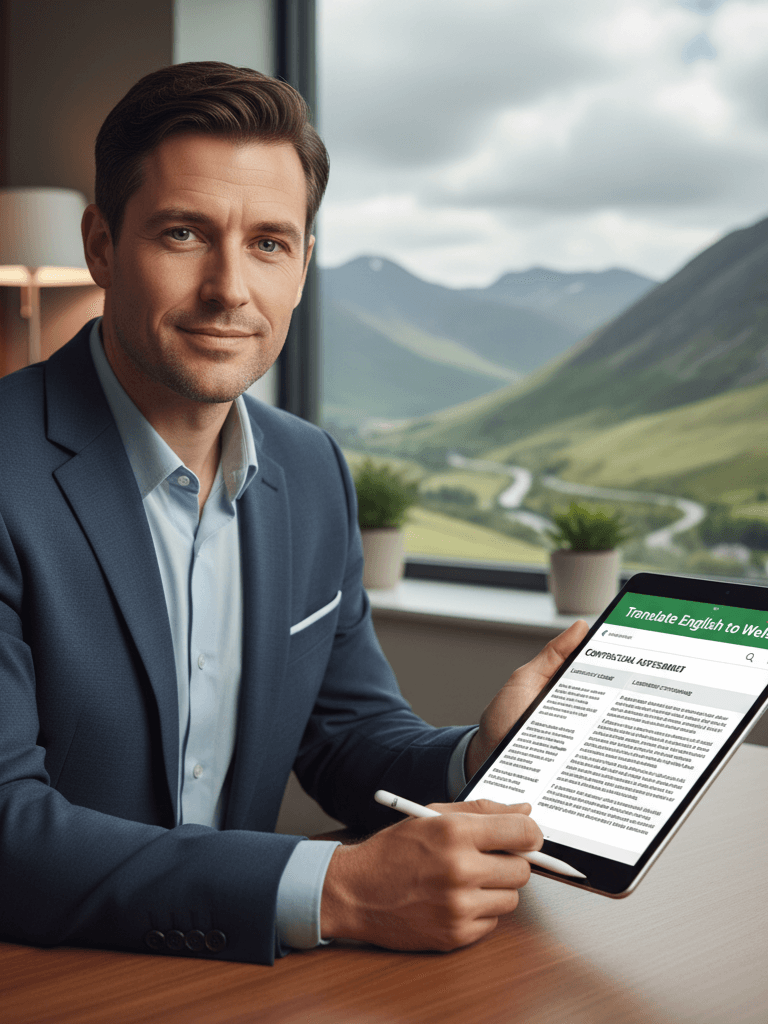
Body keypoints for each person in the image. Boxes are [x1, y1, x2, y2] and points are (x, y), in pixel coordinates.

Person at [0, 61, 588, 965]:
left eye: (270, 242)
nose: (230, 288)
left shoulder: (311, 470)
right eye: (185, 233)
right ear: (103, 245)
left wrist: (479, 757)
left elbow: (348, 737)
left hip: (236, 987)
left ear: (304, 265)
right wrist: (339, 891)